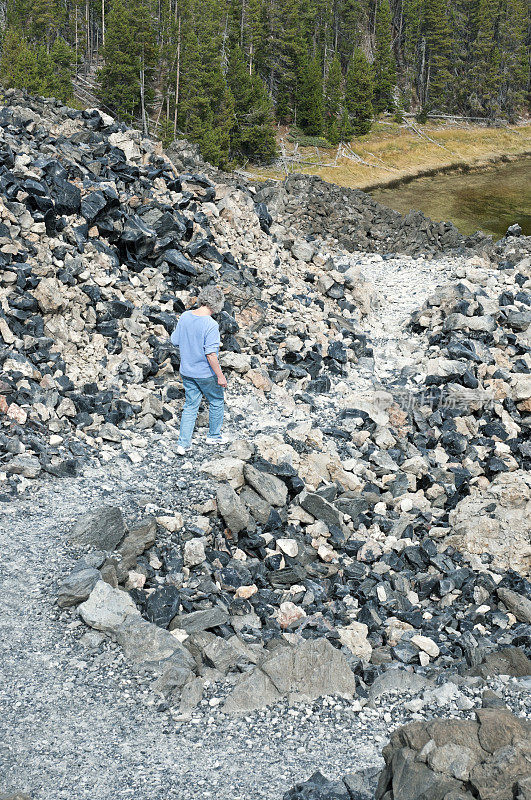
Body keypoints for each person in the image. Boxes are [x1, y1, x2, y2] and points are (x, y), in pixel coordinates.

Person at [170, 286, 228, 455]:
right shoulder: (211, 324)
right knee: (217, 400)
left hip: (187, 371)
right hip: (205, 373)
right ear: (217, 304)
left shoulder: (186, 316)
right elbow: (211, 355)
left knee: (190, 405)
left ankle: (183, 444)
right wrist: (220, 376)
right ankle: (214, 435)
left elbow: (175, 340)